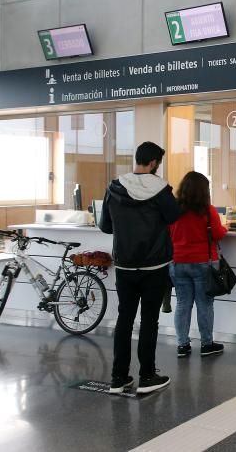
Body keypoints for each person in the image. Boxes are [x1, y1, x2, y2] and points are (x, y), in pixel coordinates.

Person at [99, 142, 180, 394]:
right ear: (154, 162)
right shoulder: (161, 190)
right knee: (149, 321)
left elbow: (105, 226)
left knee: (124, 319)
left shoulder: (114, 188)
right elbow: (174, 217)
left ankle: (118, 378)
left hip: (124, 265)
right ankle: (146, 376)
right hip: (154, 265)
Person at [169, 171, 227, 358]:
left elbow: (167, 233)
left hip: (178, 262)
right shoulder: (208, 211)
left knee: (182, 304)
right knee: (205, 304)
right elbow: (218, 234)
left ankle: (182, 345)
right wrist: (226, 228)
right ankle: (206, 344)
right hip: (204, 263)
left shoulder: (174, 210)